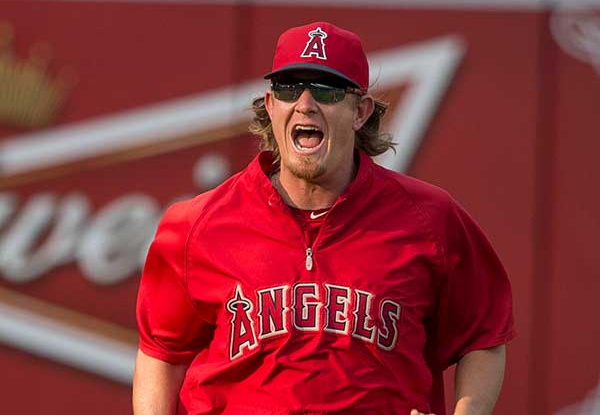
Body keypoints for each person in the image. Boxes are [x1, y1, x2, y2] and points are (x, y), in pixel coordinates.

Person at [133, 21, 515, 415]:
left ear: (360, 112)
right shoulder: (198, 223)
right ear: (269, 104)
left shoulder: (429, 219)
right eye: (289, 87)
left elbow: (483, 337)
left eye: (326, 90)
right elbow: (162, 353)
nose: (305, 103)